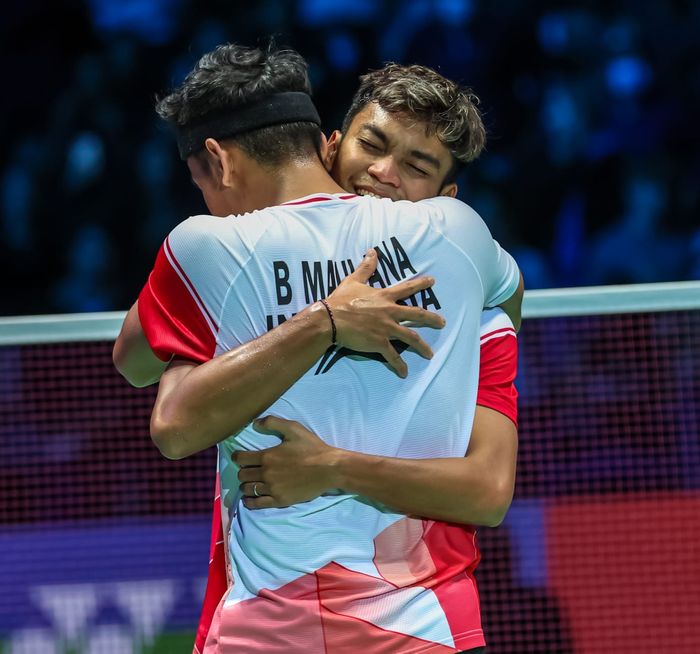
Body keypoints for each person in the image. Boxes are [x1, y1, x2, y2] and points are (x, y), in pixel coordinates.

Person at [113, 44, 522, 653]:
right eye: (374, 146)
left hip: (304, 621)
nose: (384, 174)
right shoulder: (460, 241)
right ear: (330, 144)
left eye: (416, 165)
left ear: (217, 163)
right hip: (411, 623)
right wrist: (329, 317)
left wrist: (332, 465)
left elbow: (135, 364)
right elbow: (510, 295)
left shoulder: (210, 249)